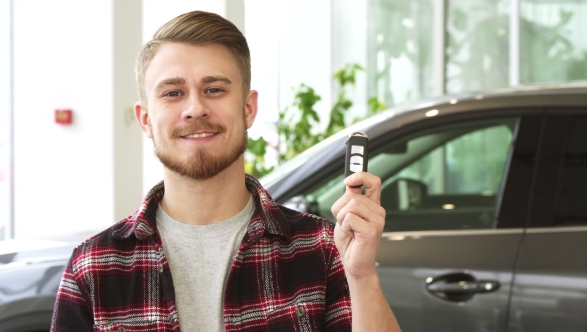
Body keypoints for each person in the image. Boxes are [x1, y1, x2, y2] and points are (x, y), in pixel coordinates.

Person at [51, 10, 400, 332]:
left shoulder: (323, 250)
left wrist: (362, 277)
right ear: (145, 120)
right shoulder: (93, 267)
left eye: (214, 89)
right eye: (173, 93)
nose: (195, 108)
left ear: (248, 108)